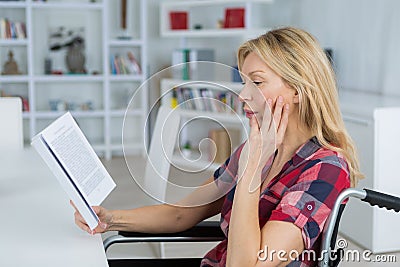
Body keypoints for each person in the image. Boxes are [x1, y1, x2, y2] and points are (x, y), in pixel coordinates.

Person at [72, 27, 362, 266]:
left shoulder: (326, 170)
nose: (243, 95)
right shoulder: (256, 149)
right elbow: (182, 213)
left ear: (298, 90)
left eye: (257, 82)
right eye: (244, 81)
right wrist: (111, 219)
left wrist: (251, 170)